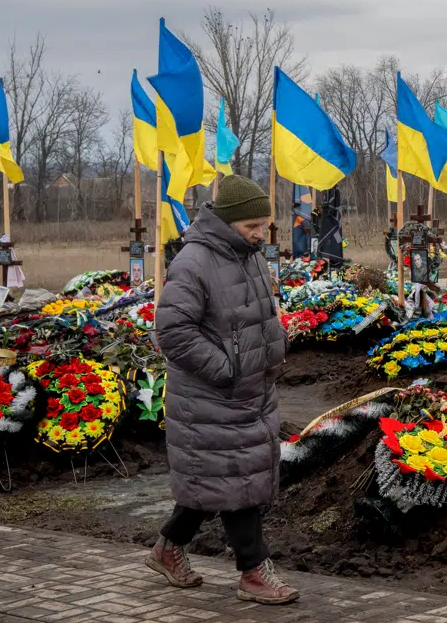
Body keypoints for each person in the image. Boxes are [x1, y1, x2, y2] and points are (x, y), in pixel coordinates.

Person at [147, 175, 298, 605]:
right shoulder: (194, 261)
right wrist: (226, 369)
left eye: (263, 225)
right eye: (252, 224)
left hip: (251, 389)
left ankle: (167, 548)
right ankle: (253, 573)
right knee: (237, 481)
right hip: (212, 395)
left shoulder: (247, 254)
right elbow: (173, 332)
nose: (260, 233)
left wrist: (276, 343)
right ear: (228, 221)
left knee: (219, 478)